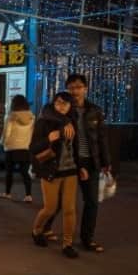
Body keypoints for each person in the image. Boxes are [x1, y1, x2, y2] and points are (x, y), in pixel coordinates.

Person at [52, 74, 111, 252]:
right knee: (59, 201)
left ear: (86, 89)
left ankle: (87, 238)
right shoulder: (62, 108)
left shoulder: (95, 110)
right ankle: (44, 228)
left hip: (90, 161)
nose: (74, 91)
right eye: (71, 87)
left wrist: (106, 161)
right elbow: (46, 112)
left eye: (78, 87)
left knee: (92, 201)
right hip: (69, 160)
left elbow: (102, 137)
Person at [30, 92, 87, 258]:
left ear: (70, 106)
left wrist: (81, 166)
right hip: (51, 170)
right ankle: (37, 230)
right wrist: (48, 138)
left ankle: (67, 244)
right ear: (53, 104)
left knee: (70, 209)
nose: (62, 106)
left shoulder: (72, 122)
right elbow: (33, 148)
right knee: (50, 208)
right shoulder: (44, 122)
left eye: (65, 103)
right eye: (58, 103)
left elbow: (76, 148)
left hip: (71, 171)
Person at [0, 94, 34, 202]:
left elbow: (7, 133)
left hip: (11, 148)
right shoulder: (32, 117)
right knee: (25, 173)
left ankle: (8, 193)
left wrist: (2, 143)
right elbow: (32, 133)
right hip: (25, 148)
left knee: (9, 172)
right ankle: (28, 195)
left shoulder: (11, 117)